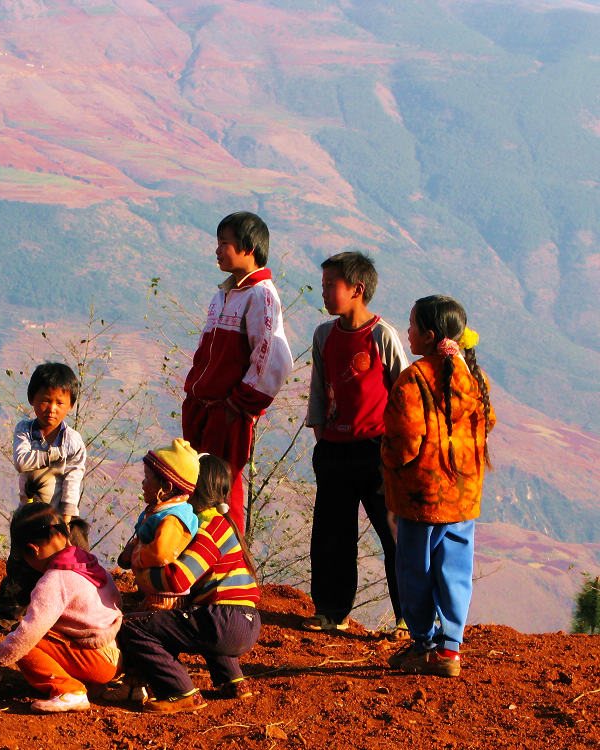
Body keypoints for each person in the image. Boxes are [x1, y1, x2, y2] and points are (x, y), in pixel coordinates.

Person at [383, 295, 495, 677]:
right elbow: (488, 422)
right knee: (454, 570)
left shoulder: (413, 379)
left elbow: (405, 443)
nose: (407, 332)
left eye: (412, 326)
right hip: (464, 496)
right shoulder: (475, 378)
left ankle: (423, 644)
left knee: (416, 569)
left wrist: (386, 468)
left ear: (429, 336)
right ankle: (450, 649)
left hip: (422, 498)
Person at [302, 252, 409, 634]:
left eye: (332, 284)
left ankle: (408, 616)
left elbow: (405, 390)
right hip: (333, 450)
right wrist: (322, 437)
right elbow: (318, 389)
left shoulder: (382, 335)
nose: (325, 291)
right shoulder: (324, 335)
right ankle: (331, 611)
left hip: (378, 451)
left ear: (357, 290)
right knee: (331, 533)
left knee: (395, 532)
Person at [117, 455, 261, 714]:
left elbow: (178, 579)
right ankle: (232, 680)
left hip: (225, 621)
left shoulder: (208, 527)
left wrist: (142, 571)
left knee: (135, 627)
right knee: (193, 618)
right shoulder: (222, 522)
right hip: (244, 621)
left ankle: (179, 691)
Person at [182, 211, 294, 533]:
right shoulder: (223, 294)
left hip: (228, 412)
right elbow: (205, 349)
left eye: (225, 244)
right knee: (195, 486)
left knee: (221, 490)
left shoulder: (261, 295)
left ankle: (229, 565)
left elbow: (273, 356)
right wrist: (193, 392)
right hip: (202, 408)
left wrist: (239, 403)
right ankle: (197, 561)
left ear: (248, 247)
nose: (218, 251)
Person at [0, 503, 123, 713]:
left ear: (33, 550)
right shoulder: (87, 562)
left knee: (24, 642)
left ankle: (70, 690)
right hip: (115, 655)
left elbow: (29, 633)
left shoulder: (54, 580)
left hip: (96, 662)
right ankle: (91, 685)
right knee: (47, 633)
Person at [0, 362, 86, 630]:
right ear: (32, 400)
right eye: (44, 400)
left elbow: (74, 477)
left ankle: (70, 620)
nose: (51, 409)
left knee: (71, 567)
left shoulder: (73, 441)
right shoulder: (24, 430)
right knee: (20, 568)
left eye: (59, 402)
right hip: (30, 517)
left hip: (62, 517)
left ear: (70, 405)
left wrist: (67, 515)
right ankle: (6, 619)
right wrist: (55, 455)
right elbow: (22, 461)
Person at [117, 439, 201, 610]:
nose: (143, 483)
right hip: (153, 593)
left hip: (165, 600)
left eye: (147, 478)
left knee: (132, 629)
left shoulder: (174, 519)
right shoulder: (162, 512)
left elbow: (160, 553)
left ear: (167, 488)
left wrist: (134, 554)